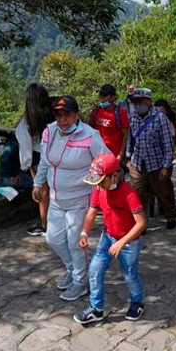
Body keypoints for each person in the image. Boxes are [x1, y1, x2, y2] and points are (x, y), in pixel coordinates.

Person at [32, 96, 109, 302]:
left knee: (76, 242)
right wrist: (38, 183)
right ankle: (72, 269)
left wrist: (93, 184)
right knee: (53, 239)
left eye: (67, 114)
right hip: (56, 197)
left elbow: (105, 161)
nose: (62, 119)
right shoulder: (50, 131)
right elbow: (45, 162)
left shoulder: (90, 136)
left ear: (76, 115)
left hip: (79, 198)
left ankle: (80, 282)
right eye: (58, 114)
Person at [74, 153, 147, 324]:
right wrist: (85, 232)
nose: (98, 185)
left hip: (129, 242)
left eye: (101, 181)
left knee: (130, 274)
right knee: (94, 270)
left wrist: (122, 242)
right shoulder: (99, 189)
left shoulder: (129, 194)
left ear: (114, 176)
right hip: (107, 237)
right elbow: (92, 212)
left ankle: (137, 302)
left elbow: (141, 223)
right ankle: (96, 308)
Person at [126, 87, 176, 230]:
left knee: (164, 193)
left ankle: (171, 216)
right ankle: (141, 224)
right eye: (135, 102)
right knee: (138, 195)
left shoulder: (160, 118)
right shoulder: (133, 118)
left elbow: (168, 143)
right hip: (137, 163)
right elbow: (130, 139)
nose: (137, 105)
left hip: (156, 164)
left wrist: (166, 166)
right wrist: (128, 158)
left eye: (140, 101)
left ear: (149, 101)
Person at [16, 83, 54, 237]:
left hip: (37, 156)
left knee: (42, 191)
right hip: (56, 155)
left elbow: (25, 145)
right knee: (55, 189)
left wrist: (24, 165)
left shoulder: (28, 120)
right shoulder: (53, 114)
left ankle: (45, 225)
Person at [87, 84, 130, 163]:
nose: (101, 98)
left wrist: (120, 154)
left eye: (104, 95)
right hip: (97, 153)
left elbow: (125, 135)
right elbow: (90, 128)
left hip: (113, 155)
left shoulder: (120, 113)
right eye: (100, 95)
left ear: (113, 97)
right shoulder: (96, 110)